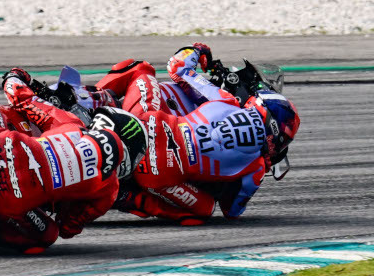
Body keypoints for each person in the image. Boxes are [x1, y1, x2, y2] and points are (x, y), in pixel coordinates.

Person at [0, 83, 147, 252]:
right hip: (11, 200)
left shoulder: (71, 122)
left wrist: (15, 78)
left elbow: (24, 100)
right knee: (47, 236)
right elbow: (69, 227)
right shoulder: (109, 191)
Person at [95, 43, 300, 225]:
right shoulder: (256, 167)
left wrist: (197, 50)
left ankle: (93, 97)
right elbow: (232, 211)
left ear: (258, 103)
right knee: (205, 210)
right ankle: (124, 196)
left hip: (145, 124)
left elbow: (176, 67)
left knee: (141, 69)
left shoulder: (227, 101)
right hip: (158, 177)